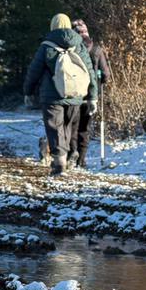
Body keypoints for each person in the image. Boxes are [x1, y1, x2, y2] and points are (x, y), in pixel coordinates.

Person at [24, 13, 97, 175]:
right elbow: (90, 71)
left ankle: (59, 162)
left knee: (55, 127)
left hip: (52, 96)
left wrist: (28, 92)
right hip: (75, 95)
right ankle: (71, 154)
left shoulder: (46, 46)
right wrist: (93, 96)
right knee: (68, 126)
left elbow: (34, 72)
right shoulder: (79, 45)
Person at [69, 18, 110, 169]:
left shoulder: (70, 49)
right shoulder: (97, 50)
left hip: (73, 95)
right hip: (91, 96)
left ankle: (72, 156)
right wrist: (101, 82)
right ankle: (82, 160)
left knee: (72, 127)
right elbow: (106, 74)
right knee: (84, 128)